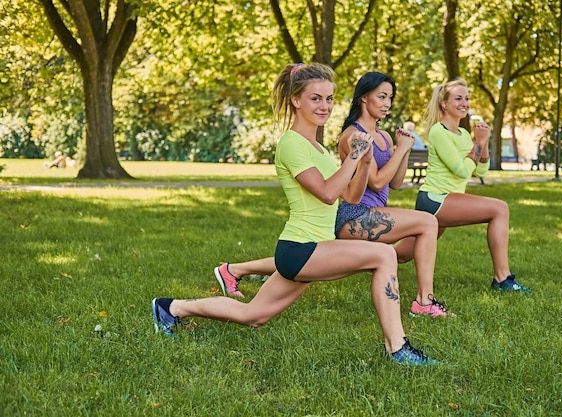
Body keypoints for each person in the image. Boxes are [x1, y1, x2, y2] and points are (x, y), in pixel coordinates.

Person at [152, 63, 435, 366]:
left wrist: (364, 162)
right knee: (384, 255)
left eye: (329, 99)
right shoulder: (291, 145)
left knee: (253, 315)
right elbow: (326, 193)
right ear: (296, 100)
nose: (324, 106)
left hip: (315, 247)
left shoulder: (319, 147)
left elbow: (349, 197)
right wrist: (353, 157)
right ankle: (398, 348)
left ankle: (171, 307)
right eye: (315, 98)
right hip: (301, 249)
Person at [215, 71, 452, 318]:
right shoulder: (352, 135)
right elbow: (371, 182)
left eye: (390, 98)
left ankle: (230, 272)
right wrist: (386, 151)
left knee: (255, 313)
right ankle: (423, 303)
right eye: (381, 96)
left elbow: (394, 183)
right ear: (364, 98)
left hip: (335, 221)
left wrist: (402, 151)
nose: (387, 103)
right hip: (352, 215)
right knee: (424, 224)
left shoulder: (379, 137)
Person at [412, 78, 530, 293]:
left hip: (448, 199)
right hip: (435, 199)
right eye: (458, 98)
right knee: (499, 208)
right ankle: (502, 279)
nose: (464, 102)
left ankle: (377, 259)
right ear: (444, 104)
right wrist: (478, 143)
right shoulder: (438, 132)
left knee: (404, 252)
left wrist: (482, 143)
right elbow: (462, 170)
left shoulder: (464, 134)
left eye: (466, 98)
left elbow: (481, 171)